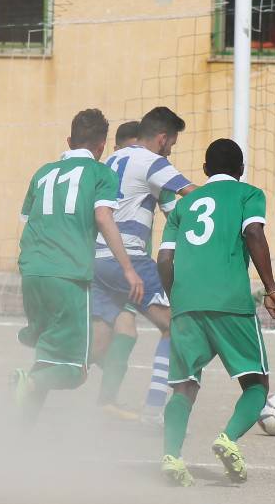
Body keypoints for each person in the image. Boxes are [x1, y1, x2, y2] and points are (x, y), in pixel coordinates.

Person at [156, 138, 275, 487]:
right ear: (240, 170)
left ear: (204, 170)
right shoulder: (248, 194)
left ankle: (171, 456)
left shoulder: (184, 205)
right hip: (230, 302)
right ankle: (227, 438)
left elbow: (165, 259)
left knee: (183, 387)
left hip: (185, 303)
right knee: (256, 382)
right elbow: (254, 232)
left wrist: (177, 300)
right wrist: (271, 289)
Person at [12, 108, 143, 424]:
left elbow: (28, 222)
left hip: (32, 274)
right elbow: (102, 217)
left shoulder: (43, 173)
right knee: (74, 371)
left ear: (68, 141)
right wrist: (127, 268)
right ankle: (25, 382)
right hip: (68, 276)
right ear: (101, 147)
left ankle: (20, 436)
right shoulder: (101, 174)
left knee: (45, 360)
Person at [88, 107, 198, 425]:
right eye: (172, 144)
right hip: (129, 258)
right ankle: (153, 409)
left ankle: (45, 373)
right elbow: (192, 196)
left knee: (116, 332)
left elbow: (167, 207)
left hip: (97, 258)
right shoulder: (152, 162)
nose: (170, 150)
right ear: (162, 138)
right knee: (174, 327)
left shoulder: (111, 160)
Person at [88, 121, 143, 419]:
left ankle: (107, 400)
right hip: (112, 261)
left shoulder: (108, 167)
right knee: (101, 341)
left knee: (125, 331)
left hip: (113, 261)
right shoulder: (107, 173)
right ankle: (38, 376)